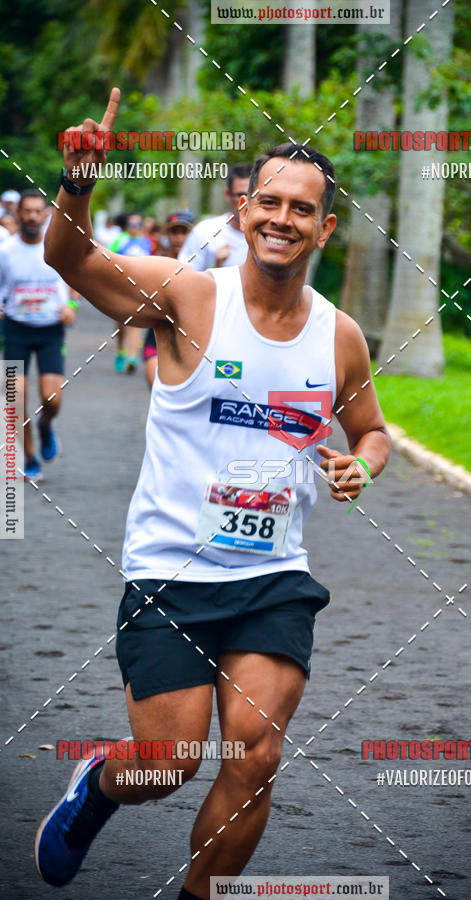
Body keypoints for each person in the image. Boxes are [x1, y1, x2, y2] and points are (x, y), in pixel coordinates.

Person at [37, 88, 391, 899]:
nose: (282, 218)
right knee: (167, 765)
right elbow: (72, 260)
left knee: (256, 757)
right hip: (170, 573)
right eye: (268, 200)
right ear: (244, 210)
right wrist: (78, 182)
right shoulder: (192, 295)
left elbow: (373, 429)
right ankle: (95, 786)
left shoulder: (338, 335)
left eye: (302, 209)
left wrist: (361, 466)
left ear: (324, 228)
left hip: (272, 577)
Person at [0, 190, 78, 481]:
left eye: (37, 211)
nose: (32, 217)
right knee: (15, 397)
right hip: (16, 329)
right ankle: (30, 456)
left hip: (50, 329)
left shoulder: (55, 247)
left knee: (52, 398)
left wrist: (71, 305)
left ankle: (46, 425)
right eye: (27, 211)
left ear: (46, 215)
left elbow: (75, 280)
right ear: (18, 214)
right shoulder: (5, 251)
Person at [143, 209, 195, 387]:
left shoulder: (203, 266)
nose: (179, 238)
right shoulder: (155, 263)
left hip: (193, 339)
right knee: (156, 387)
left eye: (184, 232)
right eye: (174, 232)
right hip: (158, 335)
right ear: (167, 234)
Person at [179, 163, 251, 271]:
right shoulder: (205, 232)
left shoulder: (268, 235)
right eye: (240, 195)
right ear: (228, 194)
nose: (245, 201)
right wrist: (215, 266)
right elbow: (184, 276)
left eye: (251, 194)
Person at [109, 211, 152, 373]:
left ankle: (132, 357)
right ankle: (121, 350)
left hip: (140, 289)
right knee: (122, 324)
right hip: (121, 288)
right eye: (132, 225)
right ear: (127, 226)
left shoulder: (146, 242)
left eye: (138, 225)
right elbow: (108, 259)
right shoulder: (119, 241)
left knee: (135, 322)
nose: (135, 228)